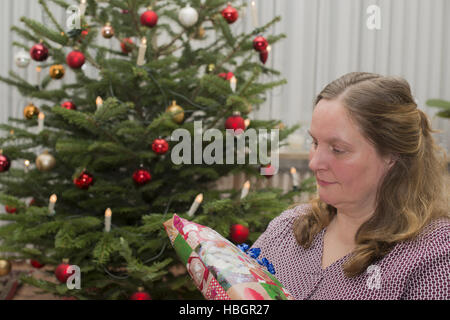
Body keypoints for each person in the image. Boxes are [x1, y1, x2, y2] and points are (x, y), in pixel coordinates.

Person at [252, 72, 449, 300]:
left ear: (391, 155)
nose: (315, 162)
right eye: (315, 143)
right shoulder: (286, 230)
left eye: (338, 149)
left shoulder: (434, 256)